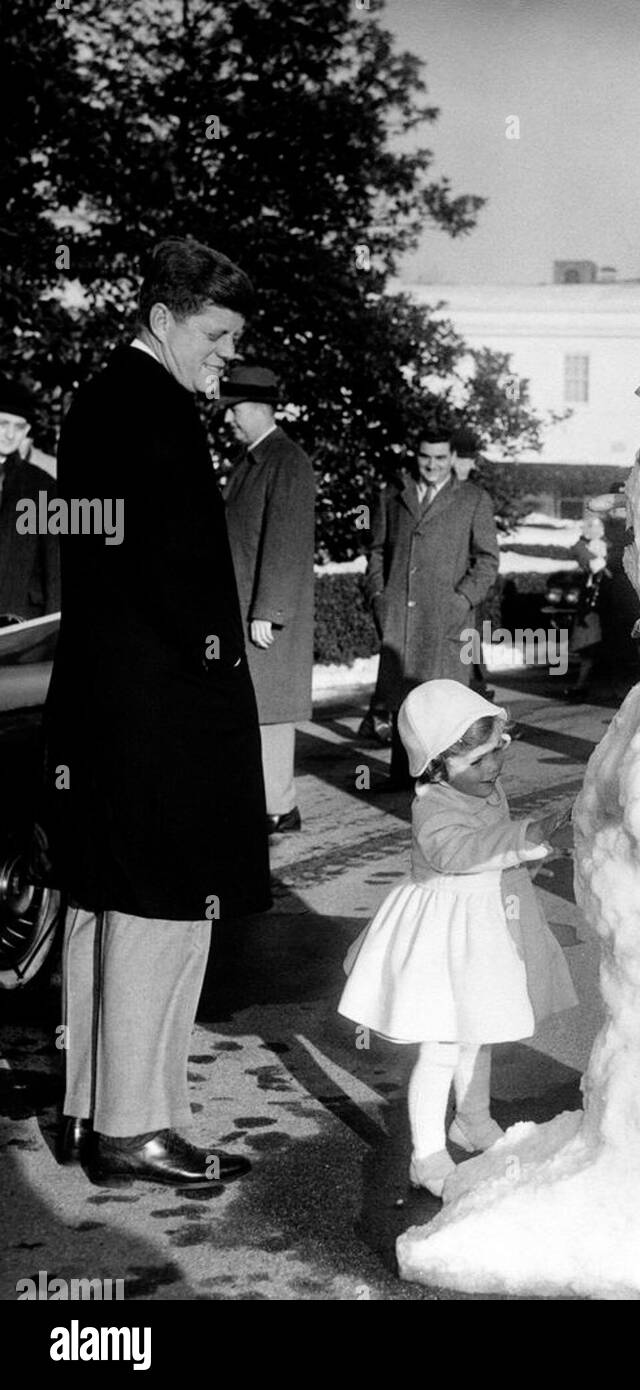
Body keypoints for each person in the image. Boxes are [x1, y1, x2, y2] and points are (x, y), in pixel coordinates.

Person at [44, 237, 271, 1187]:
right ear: (163, 318)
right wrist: (215, 690)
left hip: (105, 705)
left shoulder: (96, 401)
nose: (227, 358)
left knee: (105, 905)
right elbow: (176, 583)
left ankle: (98, 1113)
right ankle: (140, 1128)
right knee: (164, 917)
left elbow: (97, 560)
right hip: (164, 714)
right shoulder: (160, 412)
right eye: (217, 337)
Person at [338, 680, 577, 1195]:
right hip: (443, 935)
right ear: (438, 766)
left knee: (479, 1026)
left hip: (485, 927)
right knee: (443, 1042)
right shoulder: (433, 806)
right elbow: (461, 853)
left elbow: (501, 850)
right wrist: (528, 838)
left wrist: (540, 848)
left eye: (499, 750)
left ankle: (471, 1116)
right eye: (480, 760)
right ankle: (426, 1156)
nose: (494, 767)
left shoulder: (485, 787)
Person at [366, 427, 499, 789]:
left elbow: (488, 560)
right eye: (425, 456)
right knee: (403, 698)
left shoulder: (473, 499)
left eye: (440, 458)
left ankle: (439, 780)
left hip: (445, 619)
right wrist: (379, 595)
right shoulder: (393, 496)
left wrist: (462, 600)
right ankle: (402, 773)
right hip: (401, 617)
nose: (432, 465)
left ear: (453, 458)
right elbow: (376, 550)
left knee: (439, 701)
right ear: (416, 455)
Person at [220, 364, 316, 835]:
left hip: (264, 616)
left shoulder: (286, 461)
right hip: (245, 610)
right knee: (254, 712)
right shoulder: (254, 460)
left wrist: (268, 610)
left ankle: (279, 808)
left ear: (259, 409)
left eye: (234, 411)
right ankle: (266, 803)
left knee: (270, 713)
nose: (228, 421)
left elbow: (287, 537)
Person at [0, 376, 60, 660]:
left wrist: (51, 639)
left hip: (22, 634)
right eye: (2, 424)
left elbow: (56, 570)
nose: (10, 435)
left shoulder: (43, 486)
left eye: (19, 427)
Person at [450, 425, 493, 699]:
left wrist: (467, 594)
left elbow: (486, 554)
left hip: (463, 593)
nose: (470, 465)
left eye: (472, 458)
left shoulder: (473, 495)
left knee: (469, 653)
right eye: (465, 458)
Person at [566, 513, 608, 700]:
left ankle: (588, 684)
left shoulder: (608, 545)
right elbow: (593, 564)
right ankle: (582, 684)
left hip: (605, 603)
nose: (592, 530)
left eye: (596, 526)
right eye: (589, 527)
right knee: (588, 647)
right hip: (591, 605)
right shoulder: (582, 546)